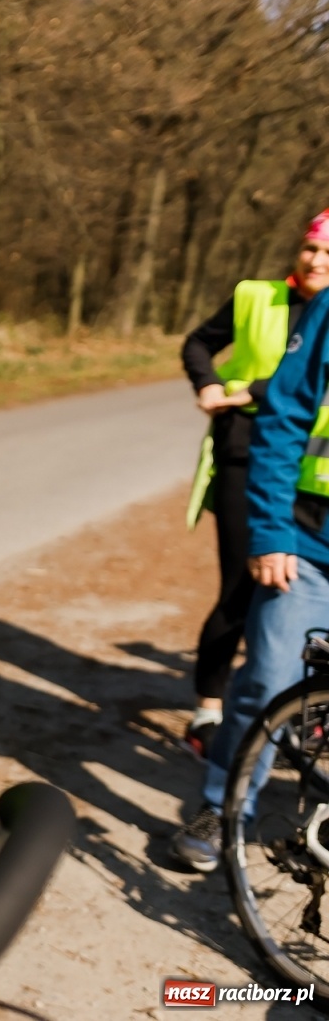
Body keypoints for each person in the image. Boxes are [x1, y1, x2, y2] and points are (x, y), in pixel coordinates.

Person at [170, 211, 329, 873]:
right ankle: (222, 808)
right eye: (312, 248)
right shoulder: (284, 303)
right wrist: (271, 531)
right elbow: (285, 414)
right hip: (308, 537)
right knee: (268, 674)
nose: (316, 260)